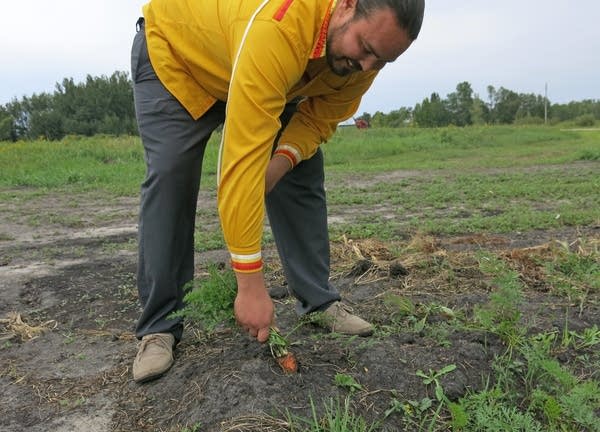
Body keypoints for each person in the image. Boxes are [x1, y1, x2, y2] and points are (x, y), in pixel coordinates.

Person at [130, 0, 425, 383]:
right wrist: (250, 285)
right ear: (346, 5)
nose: (367, 67)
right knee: (171, 177)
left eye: (382, 60)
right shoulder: (282, 27)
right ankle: (159, 327)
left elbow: (319, 118)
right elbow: (239, 160)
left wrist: (281, 162)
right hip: (180, 59)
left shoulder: (362, 60)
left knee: (302, 168)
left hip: (267, 71)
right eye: (366, 49)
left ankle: (318, 299)